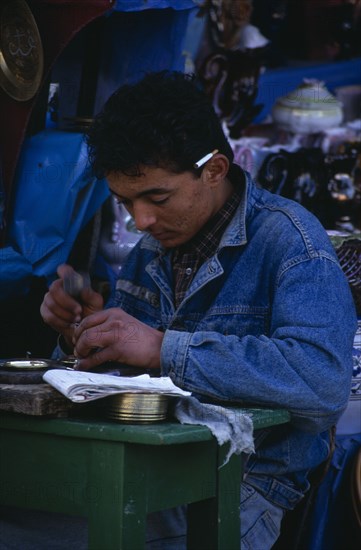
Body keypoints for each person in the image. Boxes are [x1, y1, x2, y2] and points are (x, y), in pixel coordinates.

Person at [40, 71, 357, 549]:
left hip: (238, 492)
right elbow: (127, 372)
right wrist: (82, 332)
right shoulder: (152, 248)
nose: (141, 220)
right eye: (125, 201)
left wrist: (165, 349)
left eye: (157, 198)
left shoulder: (291, 241)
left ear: (214, 169)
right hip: (148, 471)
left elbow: (322, 381)